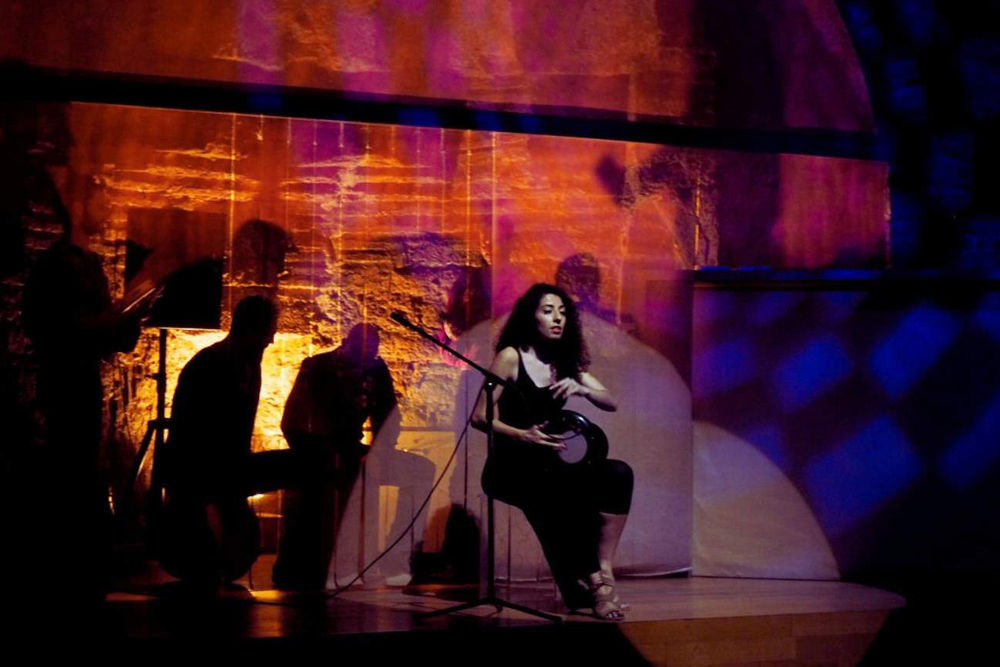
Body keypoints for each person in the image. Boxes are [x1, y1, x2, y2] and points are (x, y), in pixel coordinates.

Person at [472, 283, 633, 620]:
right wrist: (522, 435)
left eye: (562, 313)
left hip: (549, 467)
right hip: (509, 467)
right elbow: (480, 417)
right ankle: (596, 586)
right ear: (531, 318)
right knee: (561, 493)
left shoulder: (564, 363)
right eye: (548, 311)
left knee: (617, 473)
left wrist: (582, 389)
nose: (557, 319)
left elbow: (612, 402)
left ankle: (602, 569)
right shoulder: (511, 357)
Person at [152, 295, 278, 586]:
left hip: (221, 462)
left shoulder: (242, 364)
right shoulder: (214, 364)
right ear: (254, 330)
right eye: (268, 331)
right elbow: (198, 431)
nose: (271, 340)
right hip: (199, 465)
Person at [272, 323, 398, 590]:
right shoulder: (317, 367)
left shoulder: (375, 369)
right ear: (347, 345)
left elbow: (389, 416)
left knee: (406, 472)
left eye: (372, 353)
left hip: (351, 449)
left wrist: (380, 451)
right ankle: (309, 567)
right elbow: (293, 419)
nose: (368, 358)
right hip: (316, 449)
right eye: (364, 352)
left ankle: (390, 560)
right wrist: (314, 452)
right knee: (315, 491)